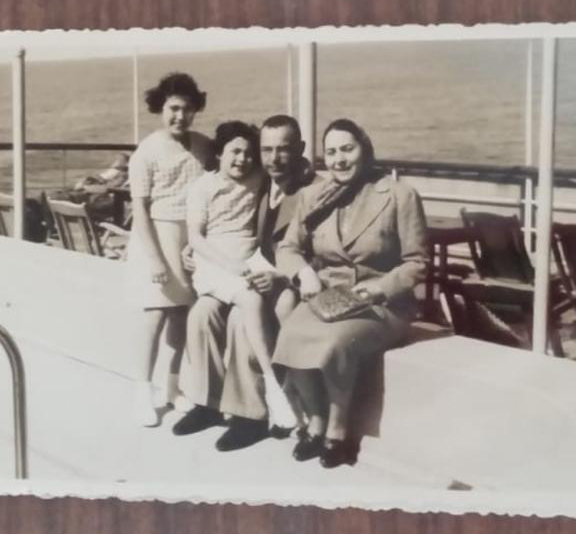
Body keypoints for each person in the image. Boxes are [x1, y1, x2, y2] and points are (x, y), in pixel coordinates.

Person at [272, 119, 428, 468]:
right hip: (328, 300)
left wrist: (379, 287)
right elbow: (288, 248)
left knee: (335, 342)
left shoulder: (399, 195)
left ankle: (338, 431)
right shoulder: (314, 196)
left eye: (347, 149)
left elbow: (417, 263)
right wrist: (303, 271)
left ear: (365, 149)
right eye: (331, 152)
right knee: (291, 336)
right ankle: (315, 420)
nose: (339, 159)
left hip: (382, 305)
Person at [174, 115, 315, 451]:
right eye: (267, 150)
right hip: (240, 271)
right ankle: (209, 404)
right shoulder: (261, 178)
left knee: (240, 318)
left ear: (298, 151)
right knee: (201, 315)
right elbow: (210, 224)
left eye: (283, 150)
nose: (273, 158)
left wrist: (279, 276)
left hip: (282, 279)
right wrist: (190, 247)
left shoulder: (308, 188)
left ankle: (251, 415)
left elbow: (317, 251)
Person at [126, 72, 212, 426]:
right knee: (155, 318)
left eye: (188, 109)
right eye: (174, 108)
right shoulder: (146, 152)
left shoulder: (205, 146)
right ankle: (141, 392)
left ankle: (172, 388)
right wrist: (157, 259)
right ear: (161, 109)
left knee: (181, 317)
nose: (180, 116)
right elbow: (140, 212)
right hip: (155, 240)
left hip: (189, 241)